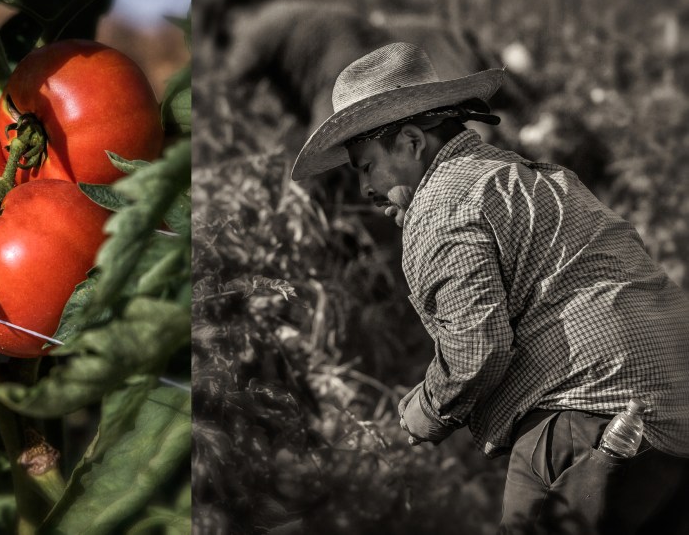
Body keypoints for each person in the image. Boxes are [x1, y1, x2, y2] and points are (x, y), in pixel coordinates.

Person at [291, 41, 689, 534]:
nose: (365, 191)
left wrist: (424, 412)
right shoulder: (526, 176)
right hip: (676, 411)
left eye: (366, 167)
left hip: (589, 411)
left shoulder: (441, 204)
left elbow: (476, 347)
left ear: (411, 143)